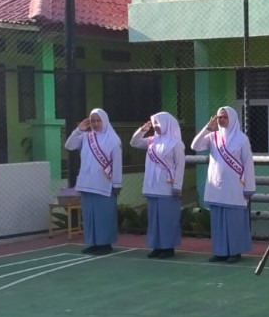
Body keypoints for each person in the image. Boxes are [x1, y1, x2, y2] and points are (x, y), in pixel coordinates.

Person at [191, 106, 256, 263]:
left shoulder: (241, 139)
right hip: (216, 187)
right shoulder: (213, 137)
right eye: (219, 117)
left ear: (232, 119)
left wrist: (249, 187)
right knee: (218, 221)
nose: (221, 120)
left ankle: (235, 252)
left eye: (224, 117)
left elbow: (248, 164)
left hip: (235, 187)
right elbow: (195, 146)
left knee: (233, 220)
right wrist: (207, 128)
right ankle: (220, 252)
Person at [65, 108, 123, 255]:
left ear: (105, 121)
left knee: (104, 215)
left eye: (98, 120)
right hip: (86, 183)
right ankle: (92, 243)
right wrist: (79, 130)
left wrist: (117, 184)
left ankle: (105, 244)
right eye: (93, 121)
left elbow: (117, 164)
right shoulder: (86, 137)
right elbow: (69, 145)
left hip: (104, 185)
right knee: (89, 215)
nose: (95, 124)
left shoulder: (113, 140)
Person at [131, 112, 185, 259]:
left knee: (167, 218)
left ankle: (168, 248)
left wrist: (177, 186)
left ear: (167, 123)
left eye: (158, 122)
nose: (156, 126)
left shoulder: (176, 143)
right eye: (154, 123)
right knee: (154, 219)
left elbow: (180, 166)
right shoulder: (151, 140)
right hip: (152, 186)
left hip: (168, 187)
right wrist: (142, 130)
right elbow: (134, 142)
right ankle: (157, 246)